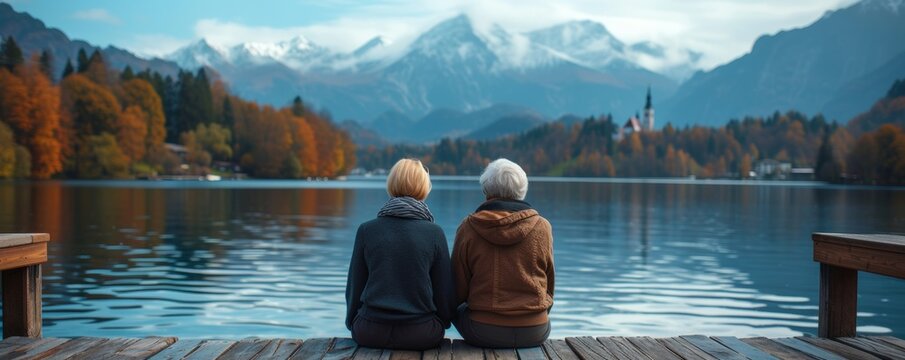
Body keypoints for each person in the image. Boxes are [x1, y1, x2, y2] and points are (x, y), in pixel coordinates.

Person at [345, 158, 454, 350]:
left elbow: (355, 286)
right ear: (424, 187)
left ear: (391, 184)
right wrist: (443, 322)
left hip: (369, 332)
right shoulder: (435, 233)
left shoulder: (366, 230)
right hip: (421, 334)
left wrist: (352, 322)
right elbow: (443, 292)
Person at [452, 158, 554, 348]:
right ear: (522, 191)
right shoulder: (543, 227)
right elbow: (549, 284)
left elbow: (457, 289)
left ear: (487, 192)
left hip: (483, 330)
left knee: (456, 308)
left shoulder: (468, 227)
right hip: (535, 330)